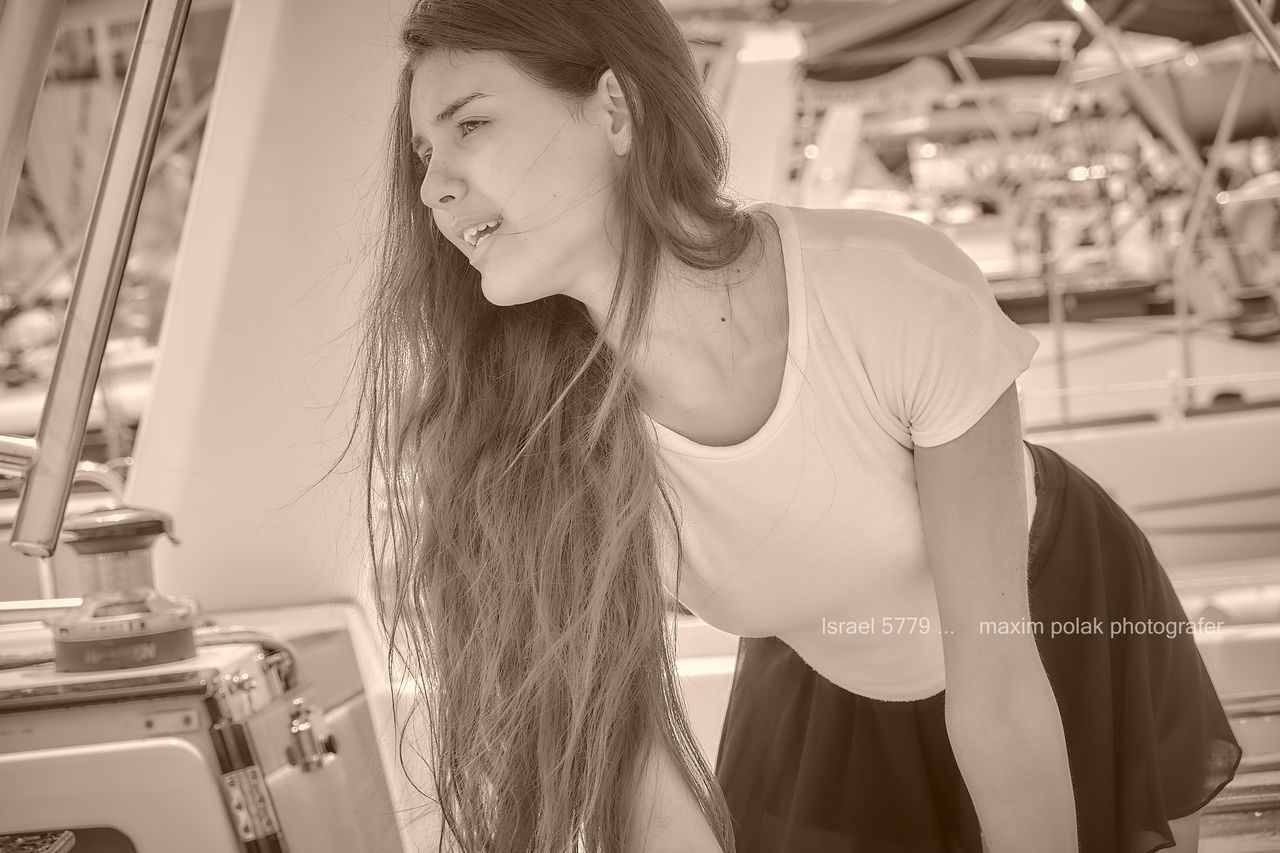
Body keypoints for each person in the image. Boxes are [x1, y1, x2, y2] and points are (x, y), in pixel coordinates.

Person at [352, 1, 1243, 850]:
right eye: (424, 152)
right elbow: (641, 789)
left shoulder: (892, 287)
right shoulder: (531, 440)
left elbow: (1000, 697)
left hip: (1057, 616)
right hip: (829, 670)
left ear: (615, 107)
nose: (432, 187)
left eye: (470, 125)